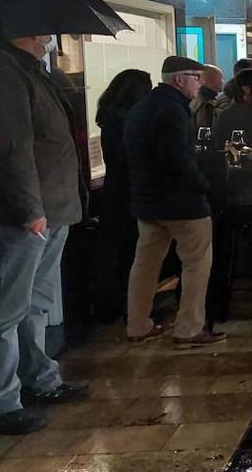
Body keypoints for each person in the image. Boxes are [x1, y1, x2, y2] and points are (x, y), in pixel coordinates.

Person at [0, 36, 90, 434]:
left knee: (35, 304)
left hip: (50, 209)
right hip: (19, 217)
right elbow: (12, 147)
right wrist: (29, 208)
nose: (51, 37)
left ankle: (39, 378)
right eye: (45, 31)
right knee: (3, 309)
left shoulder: (29, 70)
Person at [124, 56, 226, 350]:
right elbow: (178, 160)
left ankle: (138, 325)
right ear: (178, 79)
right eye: (196, 76)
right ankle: (189, 329)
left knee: (145, 264)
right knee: (196, 263)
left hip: (147, 202)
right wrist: (204, 188)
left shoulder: (141, 108)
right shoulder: (172, 112)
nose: (200, 82)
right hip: (180, 204)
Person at [92, 69, 153, 323]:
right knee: (132, 251)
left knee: (113, 250)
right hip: (131, 191)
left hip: (113, 190)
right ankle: (133, 307)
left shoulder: (109, 119)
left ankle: (112, 304)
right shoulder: (132, 123)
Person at [189, 64, 224, 131]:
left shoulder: (196, 97)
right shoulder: (206, 104)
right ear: (212, 80)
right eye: (221, 78)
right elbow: (205, 129)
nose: (223, 81)